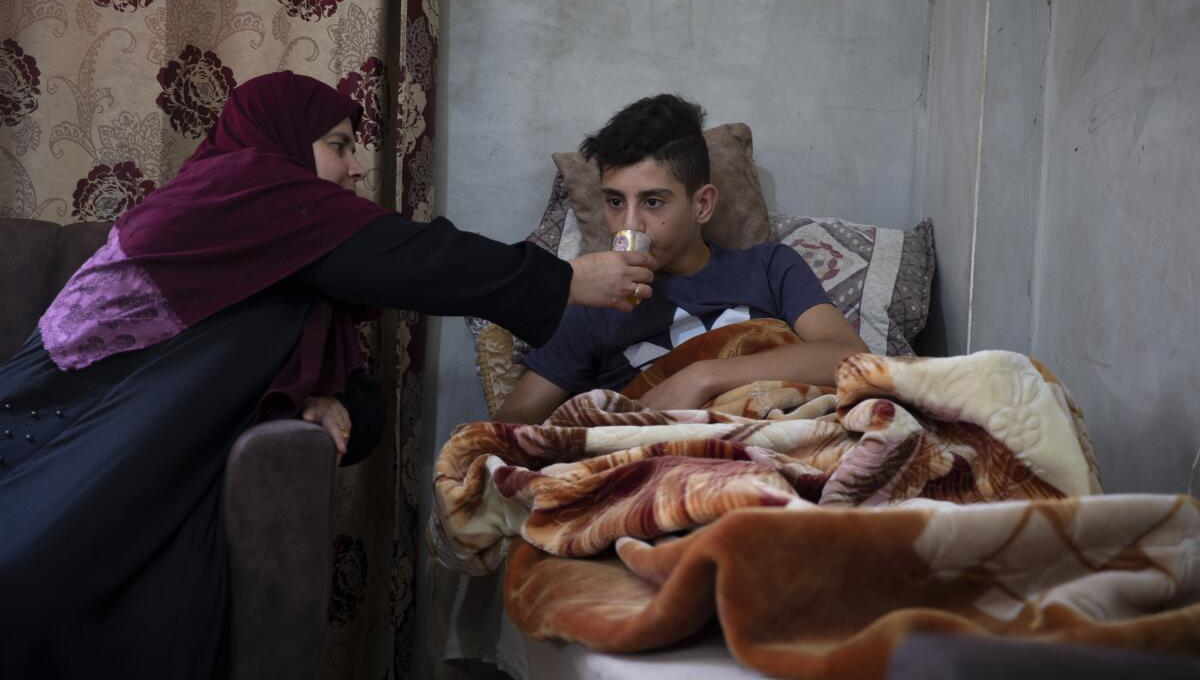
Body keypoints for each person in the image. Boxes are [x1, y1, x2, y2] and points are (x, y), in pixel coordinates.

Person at [0, 71, 654, 679]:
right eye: (338, 145)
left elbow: (357, 415)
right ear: (280, 140)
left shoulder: (285, 264)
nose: (354, 165)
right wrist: (567, 278)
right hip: (53, 417)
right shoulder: (242, 186)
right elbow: (417, 259)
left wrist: (319, 392)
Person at [497, 94, 868, 425]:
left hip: (776, 435)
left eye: (652, 202)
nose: (630, 225)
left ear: (702, 204)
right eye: (614, 201)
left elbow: (849, 357)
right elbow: (513, 419)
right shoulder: (593, 306)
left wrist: (703, 375)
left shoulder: (769, 267)